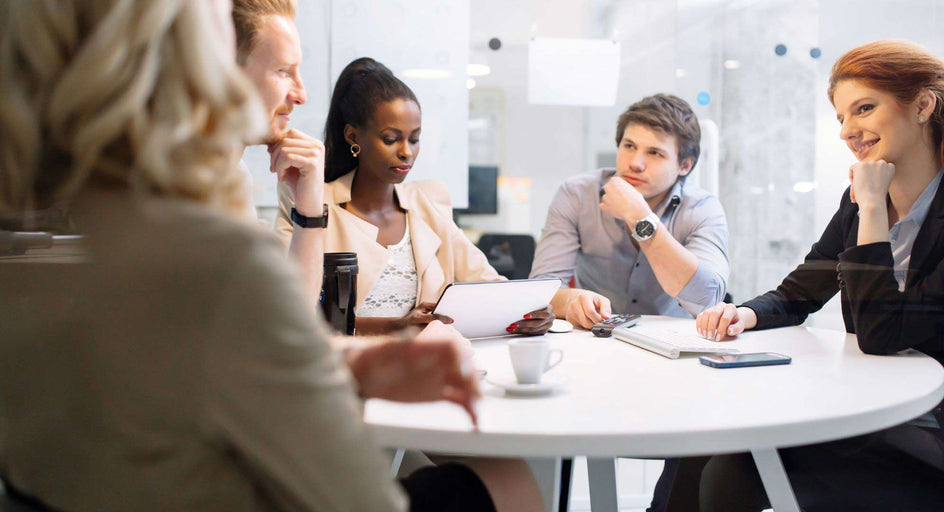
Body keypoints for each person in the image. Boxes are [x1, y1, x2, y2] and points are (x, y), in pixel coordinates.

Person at [0, 1, 505, 511]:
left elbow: (200, 349)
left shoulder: (62, 242)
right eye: (284, 70)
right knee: (505, 481)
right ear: (202, 66)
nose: (302, 93)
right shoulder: (218, 257)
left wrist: (348, 360)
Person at [670, 40, 944, 511]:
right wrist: (744, 314)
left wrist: (873, 207)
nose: (847, 131)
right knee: (714, 449)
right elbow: (801, 291)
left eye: (864, 109)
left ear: (922, 106)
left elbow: (882, 333)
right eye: (841, 117)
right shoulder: (859, 198)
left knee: (732, 472)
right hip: (882, 413)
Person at [277, 57, 554, 336]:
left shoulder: (427, 204)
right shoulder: (309, 203)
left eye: (414, 138)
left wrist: (530, 311)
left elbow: (489, 284)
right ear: (353, 137)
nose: (406, 152)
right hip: (341, 369)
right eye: (390, 138)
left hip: (423, 367)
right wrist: (393, 327)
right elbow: (285, 311)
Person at [530, 94, 729, 330]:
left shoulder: (702, 208)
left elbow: (706, 299)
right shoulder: (578, 194)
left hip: (673, 339)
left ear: (684, 165)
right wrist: (571, 300)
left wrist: (641, 219)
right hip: (596, 337)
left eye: (655, 153)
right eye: (629, 146)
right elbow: (540, 291)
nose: (635, 163)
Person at [233, 0, 325, 306]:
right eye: (284, 71)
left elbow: (291, 316)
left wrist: (309, 208)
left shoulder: (235, 178)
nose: (301, 94)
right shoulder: (179, 193)